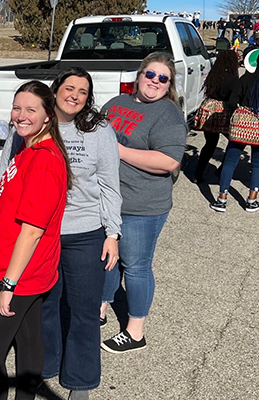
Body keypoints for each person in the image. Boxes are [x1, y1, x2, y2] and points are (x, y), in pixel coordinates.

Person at [0, 80, 71, 400]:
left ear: (48, 116)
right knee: (29, 339)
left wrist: (8, 285)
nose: (21, 115)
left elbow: (32, 231)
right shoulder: (26, 147)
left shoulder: (43, 160)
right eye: (17, 108)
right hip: (12, 266)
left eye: (31, 109)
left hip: (18, 273)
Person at [39, 68, 121, 400]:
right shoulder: (37, 124)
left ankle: (81, 381)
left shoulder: (99, 130)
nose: (74, 95)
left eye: (83, 91)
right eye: (68, 88)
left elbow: (110, 186)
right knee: (46, 304)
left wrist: (113, 233)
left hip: (86, 232)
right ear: (55, 90)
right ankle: (47, 364)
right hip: (40, 233)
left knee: (84, 309)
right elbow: (9, 173)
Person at [100, 52, 187, 353]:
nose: (155, 81)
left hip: (142, 206)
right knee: (105, 258)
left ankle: (135, 332)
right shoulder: (115, 104)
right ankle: (101, 305)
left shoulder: (168, 115)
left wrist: (118, 151)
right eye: (150, 74)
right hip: (106, 200)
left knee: (135, 266)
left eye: (163, 78)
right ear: (139, 76)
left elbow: (168, 161)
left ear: (169, 85)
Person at [211, 49, 259, 212]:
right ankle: (252, 200)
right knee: (258, 164)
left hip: (242, 124)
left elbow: (231, 101)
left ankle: (222, 198)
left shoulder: (246, 79)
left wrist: (239, 113)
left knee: (230, 161)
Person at [193, 50, 239, 183]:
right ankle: (222, 169)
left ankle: (198, 173)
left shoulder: (213, 75)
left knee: (210, 143)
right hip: (223, 111)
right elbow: (232, 100)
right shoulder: (233, 79)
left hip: (209, 107)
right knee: (233, 141)